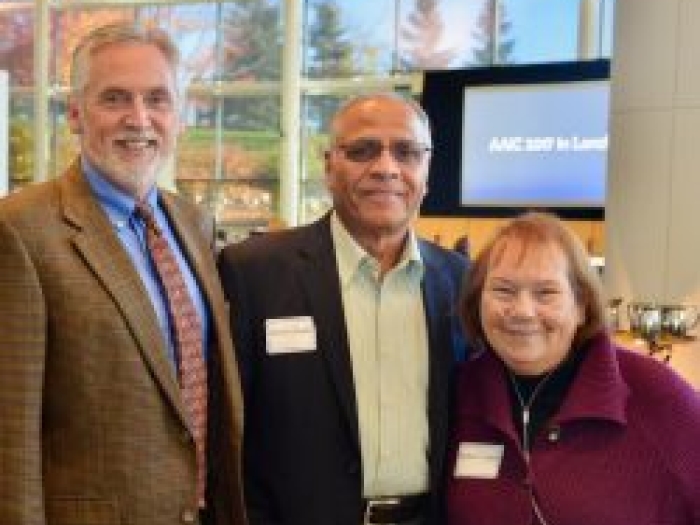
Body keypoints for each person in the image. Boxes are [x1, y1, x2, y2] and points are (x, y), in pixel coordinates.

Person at [0, 23, 245, 525]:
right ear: (74, 113)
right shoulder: (19, 229)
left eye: (157, 99)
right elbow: (10, 434)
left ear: (179, 116)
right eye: (115, 99)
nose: (139, 119)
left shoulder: (194, 224)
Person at [217, 92, 468, 525]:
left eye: (406, 152)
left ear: (426, 172)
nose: (386, 168)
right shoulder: (254, 273)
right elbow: (225, 427)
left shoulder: (461, 282)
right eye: (363, 150)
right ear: (329, 166)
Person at [446, 212, 700, 525]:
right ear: (476, 301)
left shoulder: (658, 398)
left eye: (546, 293)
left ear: (581, 306)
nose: (523, 311)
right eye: (503, 290)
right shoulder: (460, 394)